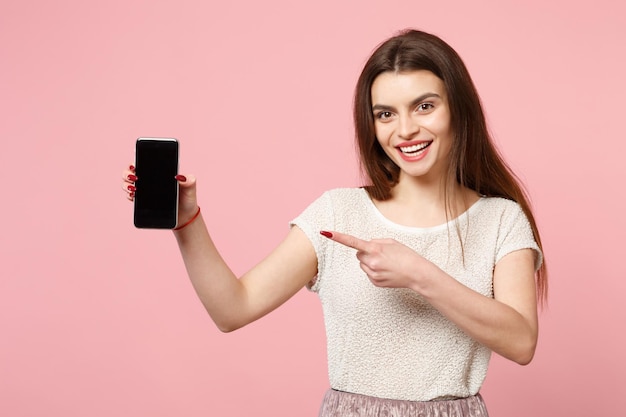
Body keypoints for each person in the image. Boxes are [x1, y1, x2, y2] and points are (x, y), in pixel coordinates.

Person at [122, 29, 547, 417]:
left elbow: (521, 341)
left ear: (459, 109)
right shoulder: (337, 213)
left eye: (424, 106)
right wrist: (187, 222)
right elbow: (233, 308)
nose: (406, 130)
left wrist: (419, 273)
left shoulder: (500, 219)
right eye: (385, 114)